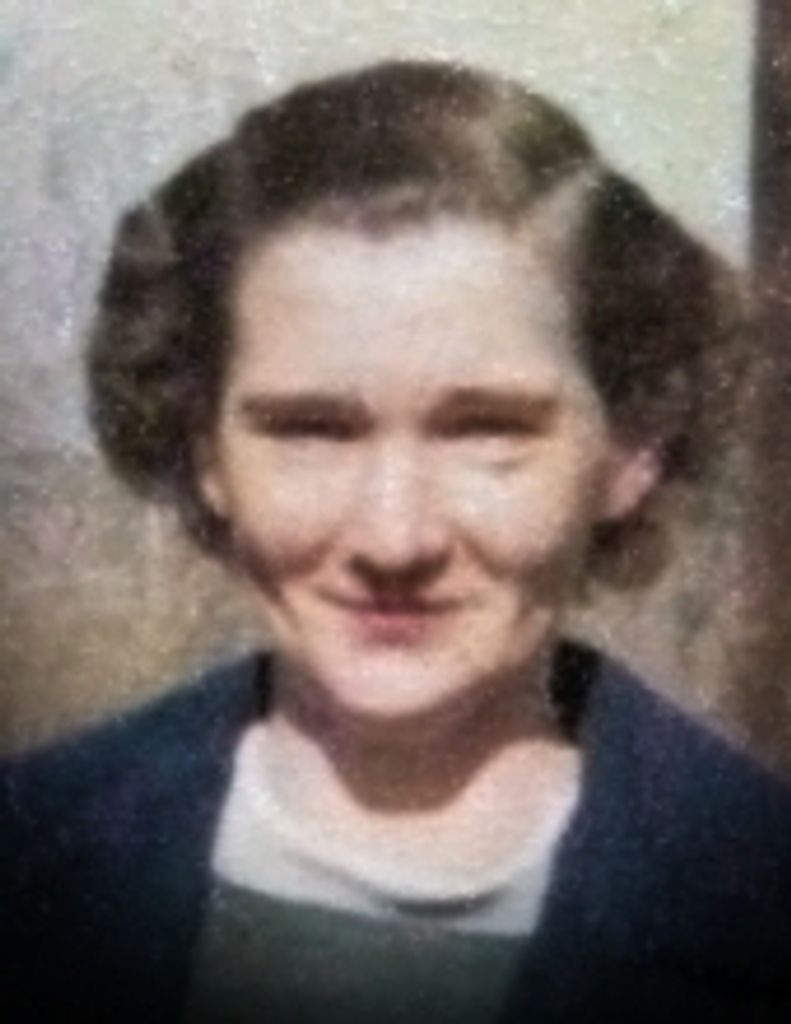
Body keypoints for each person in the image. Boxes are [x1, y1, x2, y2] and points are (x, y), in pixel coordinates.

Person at [3, 59, 791, 1023]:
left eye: (485, 429)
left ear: (631, 449)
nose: (393, 536)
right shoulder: (34, 856)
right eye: (311, 430)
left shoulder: (756, 900)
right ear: (206, 454)